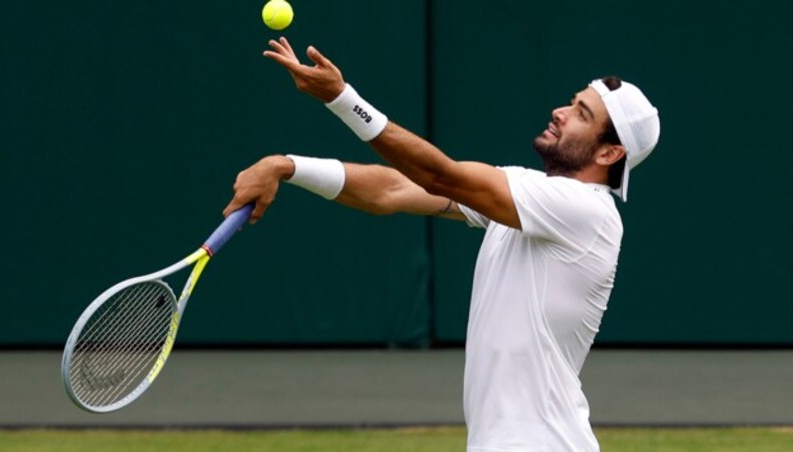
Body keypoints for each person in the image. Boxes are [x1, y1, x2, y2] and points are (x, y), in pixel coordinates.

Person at [223, 37, 660, 452]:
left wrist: (342, 98)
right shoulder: (532, 196)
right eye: (572, 101)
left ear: (609, 154)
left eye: (581, 113)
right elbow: (392, 190)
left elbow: (441, 176)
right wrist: (289, 166)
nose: (560, 111)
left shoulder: (587, 211)